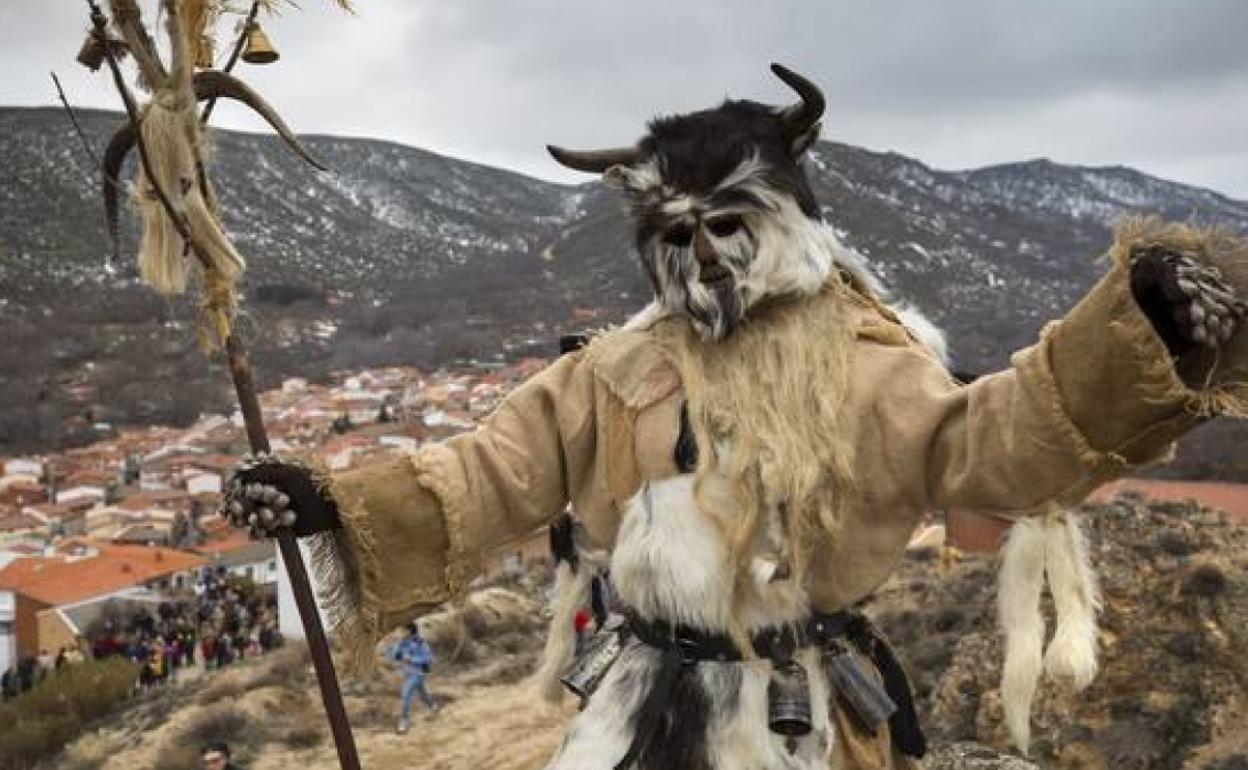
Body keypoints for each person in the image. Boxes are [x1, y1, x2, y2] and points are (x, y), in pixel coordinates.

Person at [223, 65, 1248, 770]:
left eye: (728, 225)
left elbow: (994, 441)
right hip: (635, 698)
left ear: (784, 214)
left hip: (799, 708)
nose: (705, 257)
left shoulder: (870, 362)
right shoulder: (617, 369)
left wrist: (1136, 332)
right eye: (679, 234)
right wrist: (331, 500)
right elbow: (492, 471)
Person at [388, 622, 438, 733]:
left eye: (402, 630)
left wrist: (411, 659)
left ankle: (404, 722)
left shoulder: (420, 642)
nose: (400, 632)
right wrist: (396, 653)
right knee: (422, 693)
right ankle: (432, 706)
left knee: (406, 695)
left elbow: (428, 658)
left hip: (418, 673)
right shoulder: (401, 642)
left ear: (409, 630)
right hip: (408, 673)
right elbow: (393, 656)